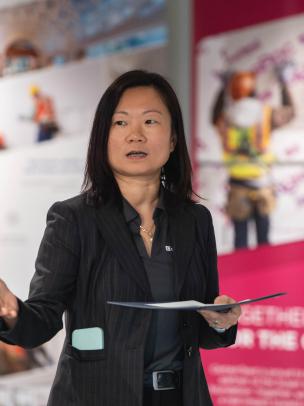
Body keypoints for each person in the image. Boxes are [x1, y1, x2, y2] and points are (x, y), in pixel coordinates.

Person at [0, 70, 241, 406]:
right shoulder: (74, 219)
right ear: (103, 139)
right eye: (121, 123)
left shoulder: (195, 221)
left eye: (151, 122)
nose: (136, 135)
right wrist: (10, 310)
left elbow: (201, 330)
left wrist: (219, 323)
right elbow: (41, 322)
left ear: (173, 140)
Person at [211, 68, 294, 249]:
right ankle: (264, 277)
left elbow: (214, 116)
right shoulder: (265, 114)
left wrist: (223, 88)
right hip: (261, 186)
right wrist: (283, 83)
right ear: (254, 91)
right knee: (263, 240)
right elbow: (289, 113)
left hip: (238, 187)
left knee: (240, 240)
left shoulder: (225, 118)